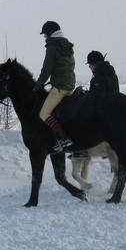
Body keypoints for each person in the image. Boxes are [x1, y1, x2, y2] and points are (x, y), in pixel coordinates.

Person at [33, 21, 76, 152]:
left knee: (44, 113)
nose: (45, 38)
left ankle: (63, 138)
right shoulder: (67, 45)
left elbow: (46, 70)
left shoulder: (52, 47)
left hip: (60, 88)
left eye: (45, 35)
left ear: (50, 34)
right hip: (70, 86)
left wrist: (36, 87)